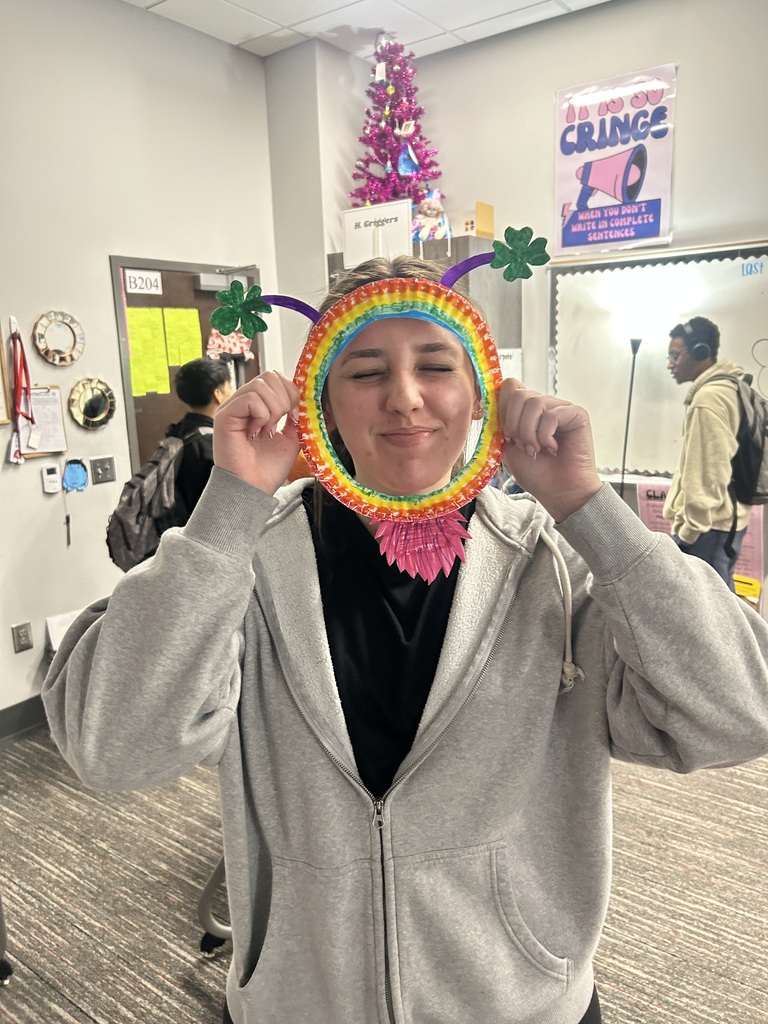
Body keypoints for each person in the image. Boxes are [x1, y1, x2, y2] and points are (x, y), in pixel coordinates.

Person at [42, 257, 768, 1024]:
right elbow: (114, 747)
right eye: (364, 371)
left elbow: (738, 713)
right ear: (321, 393)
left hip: (521, 1004)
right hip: (299, 1003)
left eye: (435, 364)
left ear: (481, 387)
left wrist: (591, 510)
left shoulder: (554, 565)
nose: (405, 398)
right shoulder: (244, 565)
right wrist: (228, 512)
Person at [662, 316, 751, 590]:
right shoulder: (731, 389)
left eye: (675, 355)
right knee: (723, 608)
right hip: (725, 524)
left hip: (707, 530)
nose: (670, 364)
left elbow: (710, 473)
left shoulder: (708, 399)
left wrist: (688, 534)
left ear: (701, 352)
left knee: (713, 616)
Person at [167, 356, 233, 516]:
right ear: (218, 394)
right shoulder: (212, 443)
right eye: (229, 386)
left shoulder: (179, 432)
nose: (233, 391)